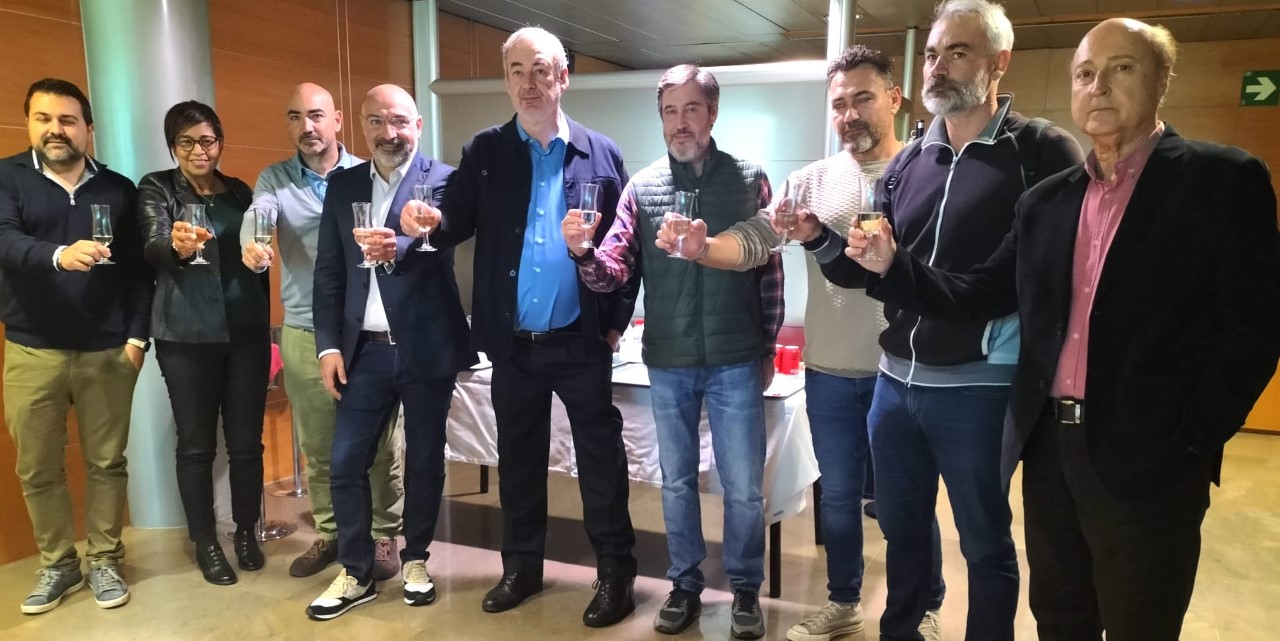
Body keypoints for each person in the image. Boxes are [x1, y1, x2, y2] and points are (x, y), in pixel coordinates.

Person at [845, 18, 1280, 641]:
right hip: (1050, 448)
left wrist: (1190, 440)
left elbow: (1253, 328)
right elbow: (981, 292)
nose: (1098, 86)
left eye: (1121, 68)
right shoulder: (1047, 201)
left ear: (1162, 80)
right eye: (1084, 74)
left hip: (1151, 455)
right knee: (1059, 619)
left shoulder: (1219, 181)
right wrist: (893, 268)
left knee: (1139, 623)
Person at [803, 2, 1085, 638]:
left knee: (983, 540)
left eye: (958, 52)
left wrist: (893, 266)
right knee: (901, 530)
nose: (937, 66)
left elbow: (997, 289)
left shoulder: (1040, 151)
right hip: (894, 381)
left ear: (998, 62)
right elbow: (873, 272)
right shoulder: (910, 163)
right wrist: (818, 238)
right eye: (932, 53)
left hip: (979, 383)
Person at [399, 27, 640, 628]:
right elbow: (451, 221)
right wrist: (424, 220)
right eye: (516, 71)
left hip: (582, 340)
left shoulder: (602, 154)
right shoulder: (486, 150)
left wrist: (614, 323)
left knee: (601, 464)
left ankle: (615, 575)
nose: (528, 84)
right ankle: (521, 568)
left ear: (563, 78)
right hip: (513, 345)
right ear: (506, 81)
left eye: (540, 70)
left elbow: (626, 248)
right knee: (519, 463)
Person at [561, 64, 782, 640]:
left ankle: (744, 589)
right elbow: (614, 271)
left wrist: (767, 346)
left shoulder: (750, 178)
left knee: (743, 487)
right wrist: (583, 253)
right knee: (677, 482)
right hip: (669, 360)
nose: (680, 123)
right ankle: (684, 585)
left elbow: (770, 271)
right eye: (669, 111)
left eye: (691, 109)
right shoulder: (642, 187)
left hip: (737, 357)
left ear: (712, 113)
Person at [305, 84, 474, 621]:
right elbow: (329, 271)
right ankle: (356, 572)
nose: (388, 132)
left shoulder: (443, 180)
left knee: (424, 459)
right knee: (345, 462)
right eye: (376, 121)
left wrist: (400, 244)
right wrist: (328, 346)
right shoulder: (344, 185)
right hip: (363, 352)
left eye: (399, 121)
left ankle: (416, 558)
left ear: (417, 125)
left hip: (426, 347)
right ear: (361, 125)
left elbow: (449, 232)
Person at [239, 82, 404, 580]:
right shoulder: (276, 178)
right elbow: (259, 215)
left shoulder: (366, 173)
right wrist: (253, 244)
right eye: (295, 117)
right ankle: (332, 533)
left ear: (337, 120)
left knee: (381, 445)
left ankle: (383, 534)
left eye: (315, 115)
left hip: (364, 332)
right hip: (305, 330)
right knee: (319, 444)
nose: (306, 127)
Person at [0, 78, 152, 613]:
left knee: (107, 463)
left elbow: (139, 272)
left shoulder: (119, 188)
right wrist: (58, 255)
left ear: (88, 128)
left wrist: (137, 337)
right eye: (43, 118)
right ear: (29, 124)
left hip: (107, 350)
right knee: (37, 467)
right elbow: (5, 240)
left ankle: (105, 559)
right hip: (32, 349)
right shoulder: (7, 177)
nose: (55, 130)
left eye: (67, 120)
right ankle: (58, 565)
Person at [137, 100, 269, 587]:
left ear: (220, 142)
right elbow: (152, 244)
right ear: (173, 146)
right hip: (186, 335)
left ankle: (247, 533)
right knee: (195, 446)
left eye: (207, 140)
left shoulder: (239, 191)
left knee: (246, 444)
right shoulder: (156, 187)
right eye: (186, 141)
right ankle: (206, 542)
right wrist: (175, 246)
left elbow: (258, 248)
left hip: (247, 333)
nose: (199, 150)